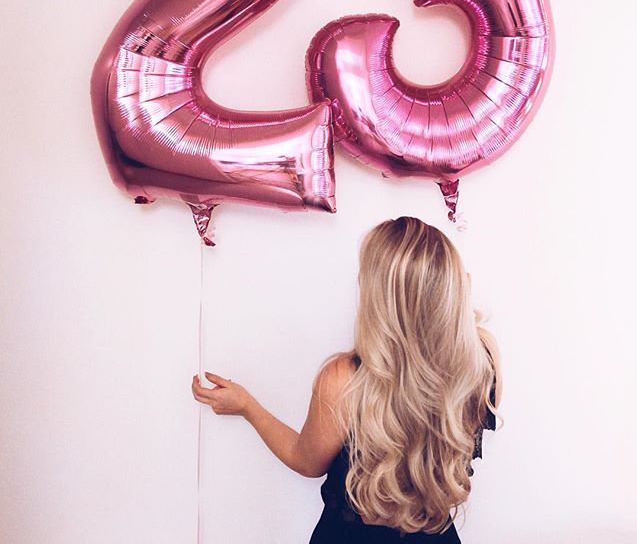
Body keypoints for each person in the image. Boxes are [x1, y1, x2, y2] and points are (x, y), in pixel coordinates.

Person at [192, 217, 501, 541]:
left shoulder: (344, 378)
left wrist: (247, 407)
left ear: (382, 299)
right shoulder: (482, 361)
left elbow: (307, 461)